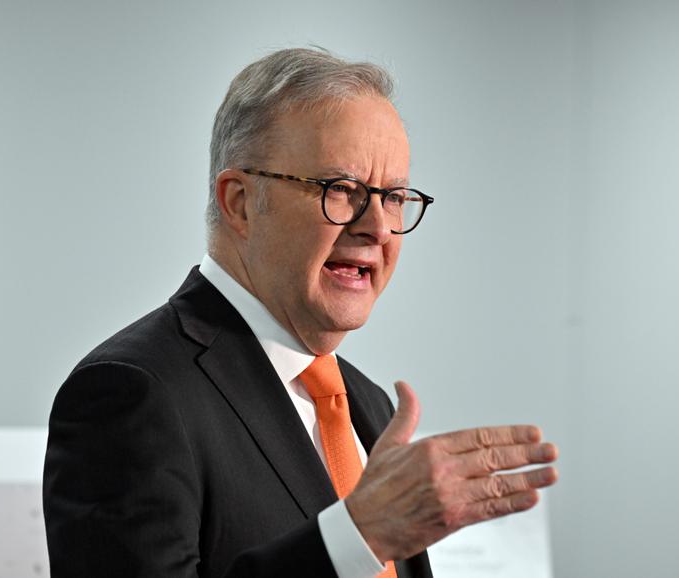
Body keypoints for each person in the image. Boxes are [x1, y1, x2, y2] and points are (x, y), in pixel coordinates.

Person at [43, 48, 558, 578]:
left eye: (395, 197)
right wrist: (358, 537)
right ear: (240, 201)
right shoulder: (131, 392)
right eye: (342, 190)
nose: (377, 228)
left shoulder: (369, 403)